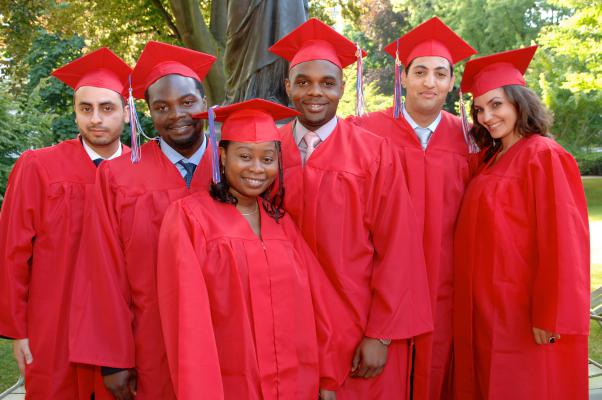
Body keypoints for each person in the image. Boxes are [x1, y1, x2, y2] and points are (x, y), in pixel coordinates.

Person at [269, 18, 433, 399]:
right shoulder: (267, 152)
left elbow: (398, 247)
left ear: (342, 87)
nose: (315, 92)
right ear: (288, 86)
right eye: (304, 82)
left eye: (327, 83)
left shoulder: (374, 153)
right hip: (288, 320)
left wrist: (382, 334)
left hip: (359, 323)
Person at [157, 98, 349, 399]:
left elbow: (317, 305)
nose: (257, 169)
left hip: (294, 385)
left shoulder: (281, 222)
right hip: (231, 384)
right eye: (245, 156)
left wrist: (327, 377)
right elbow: (187, 322)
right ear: (222, 156)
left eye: (267, 159)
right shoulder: (189, 218)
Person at [68, 41, 216, 400]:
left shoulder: (235, 169)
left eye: (187, 103)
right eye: (161, 106)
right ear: (147, 112)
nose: (176, 114)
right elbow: (102, 269)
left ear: (205, 104)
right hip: (151, 339)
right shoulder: (118, 177)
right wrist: (113, 358)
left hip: (225, 333)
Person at [348, 17, 477, 399]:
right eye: (419, 72)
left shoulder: (469, 138)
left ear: (452, 82)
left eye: (440, 73)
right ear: (402, 78)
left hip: (445, 283)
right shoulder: (363, 131)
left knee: (436, 375)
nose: (430, 82)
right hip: (378, 284)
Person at [454, 45, 590, 399]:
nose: (486, 116)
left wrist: (551, 313)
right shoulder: (491, 158)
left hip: (524, 312)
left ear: (519, 101)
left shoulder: (543, 155)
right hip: (487, 309)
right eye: (480, 109)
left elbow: (563, 239)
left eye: (496, 104)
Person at [0, 47, 131, 399]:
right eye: (85, 108)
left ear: (126, 113)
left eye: (107, 108)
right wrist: (18, 330)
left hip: (119, 327)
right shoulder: (39, 167)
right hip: (54, 322)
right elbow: (12, 253)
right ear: (75, 112)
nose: (96, 119)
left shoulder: (143, 171)